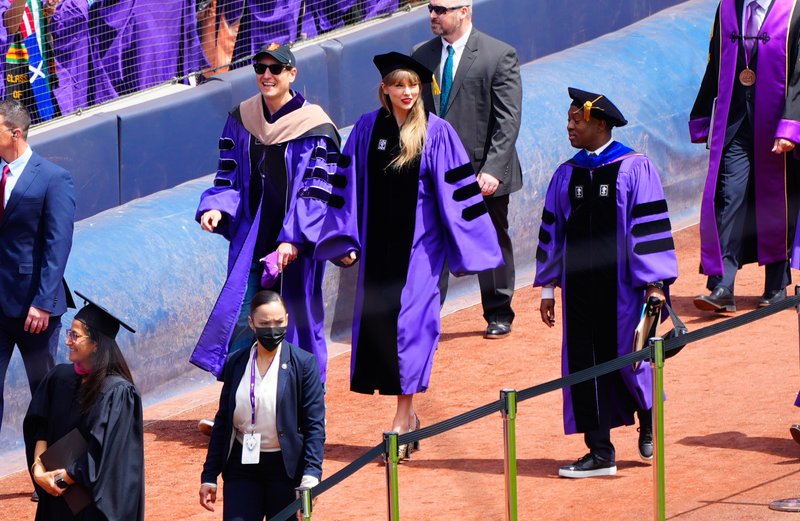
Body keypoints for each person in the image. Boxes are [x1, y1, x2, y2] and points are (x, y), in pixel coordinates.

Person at [314, 52, 502, 457]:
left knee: (413, 329)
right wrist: (343, 240)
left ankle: (403, 417)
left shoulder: (436, 132)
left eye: (413, 85)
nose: (407, 92)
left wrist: (466, 247)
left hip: (420, 249)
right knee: (382, 329)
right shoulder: (367, 129)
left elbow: (459, 193)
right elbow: (346, 187)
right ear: (384, 88)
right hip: (378, 248)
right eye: (399, 85)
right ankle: (409, 416)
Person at [191, 42, 340, 433]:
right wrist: (218, 207)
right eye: (261, 68)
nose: (268, 75)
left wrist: (293, 238)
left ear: (293, 74)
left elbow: (316, 190)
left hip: (297, 246)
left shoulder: (315, 127)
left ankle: (308, 409)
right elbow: (228, 174)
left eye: (277, 68)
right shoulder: (243, 118)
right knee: (243, 320)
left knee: (300, 323)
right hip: (253, 241)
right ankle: (237, 410)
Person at [534, 88, 679, 478]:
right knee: (584, 363)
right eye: (568, 120)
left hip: (626, 289)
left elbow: (648, 231)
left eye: (576, 121)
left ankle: (647, 417)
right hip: (580, 291)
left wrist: (655, 287)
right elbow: (554, 229)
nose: (569, 127)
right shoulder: (567, 173)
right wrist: (548, 287)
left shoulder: (634, 168)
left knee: (632, 357)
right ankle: (599, 451)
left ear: (600, 124)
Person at [412, 0, 522, 339]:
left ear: (464, 11)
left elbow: (508, 120)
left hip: (481, 172)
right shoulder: (421, 55)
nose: (433, 14)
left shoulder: (498, 55)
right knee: (431, 243)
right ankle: (427, 315)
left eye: (441, 9)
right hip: (435, 172)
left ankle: (499, 311)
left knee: (491, 241)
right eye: (431, 8)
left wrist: (493, 169)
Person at [689, 0, 800, 313]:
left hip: (776, 124)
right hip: (736, 121)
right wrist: (701, 115)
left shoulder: (794, 9)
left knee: (776, 200)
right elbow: (716, 63)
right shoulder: (726, 8)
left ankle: (776, 284)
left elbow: (799, 76)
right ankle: (723, 285)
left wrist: (791, 125)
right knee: (728, 196)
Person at [199, 290, 325, 520]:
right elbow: (224, 420)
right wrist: (209, 475)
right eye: (264, 323)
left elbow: (314, 426)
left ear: (287, 319)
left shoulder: (304, 364)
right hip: (242, 466)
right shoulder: (236, 362)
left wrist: (311, 476)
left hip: (286, 471)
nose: (272, 329)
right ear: (251, 323)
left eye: (278, 322)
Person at [23, 291, 144, 520]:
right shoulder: (59, 378)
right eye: (69, 333)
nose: (68, 341)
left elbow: (108, 456)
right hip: (56, 497)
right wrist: (38, 471)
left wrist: (62, 478)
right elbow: (39, 426)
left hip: (92, 504)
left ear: (96, 344)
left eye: (75, 336)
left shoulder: (118, 393)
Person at [0, 99, 75, 437]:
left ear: (15, 133)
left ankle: (48, 473)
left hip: (34, 308)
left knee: (43, 392)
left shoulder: (53, 178)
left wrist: (43, 301)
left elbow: (57, 244)